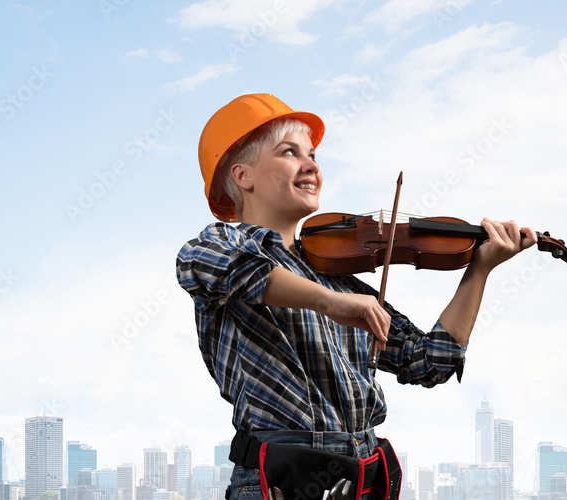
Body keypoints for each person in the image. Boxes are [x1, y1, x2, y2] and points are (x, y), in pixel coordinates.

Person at [175, 93, 536, 500]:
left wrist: (479, 269)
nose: (311, 165)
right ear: (243, 176)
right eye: (289, 153)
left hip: (362, 479)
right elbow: (227, 269)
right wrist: (331, 303)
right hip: (280, 482)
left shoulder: (338, 274)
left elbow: (429, 361)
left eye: (312, 154)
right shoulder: (219, 244)